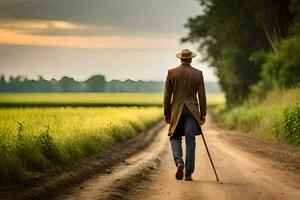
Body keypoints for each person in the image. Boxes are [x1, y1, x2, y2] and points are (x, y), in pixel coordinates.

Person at [163, 49, 207, 181]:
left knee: (175, 137)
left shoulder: (172, 73)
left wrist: (167, 113)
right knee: (191, 139)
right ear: (191, 59)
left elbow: (167, 96)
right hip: (192, 111)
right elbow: (202, 96)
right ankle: (188, 173)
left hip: (176, 110)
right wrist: (202, 114)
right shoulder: (198, 74)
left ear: (180, 59)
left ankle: (179, 162)